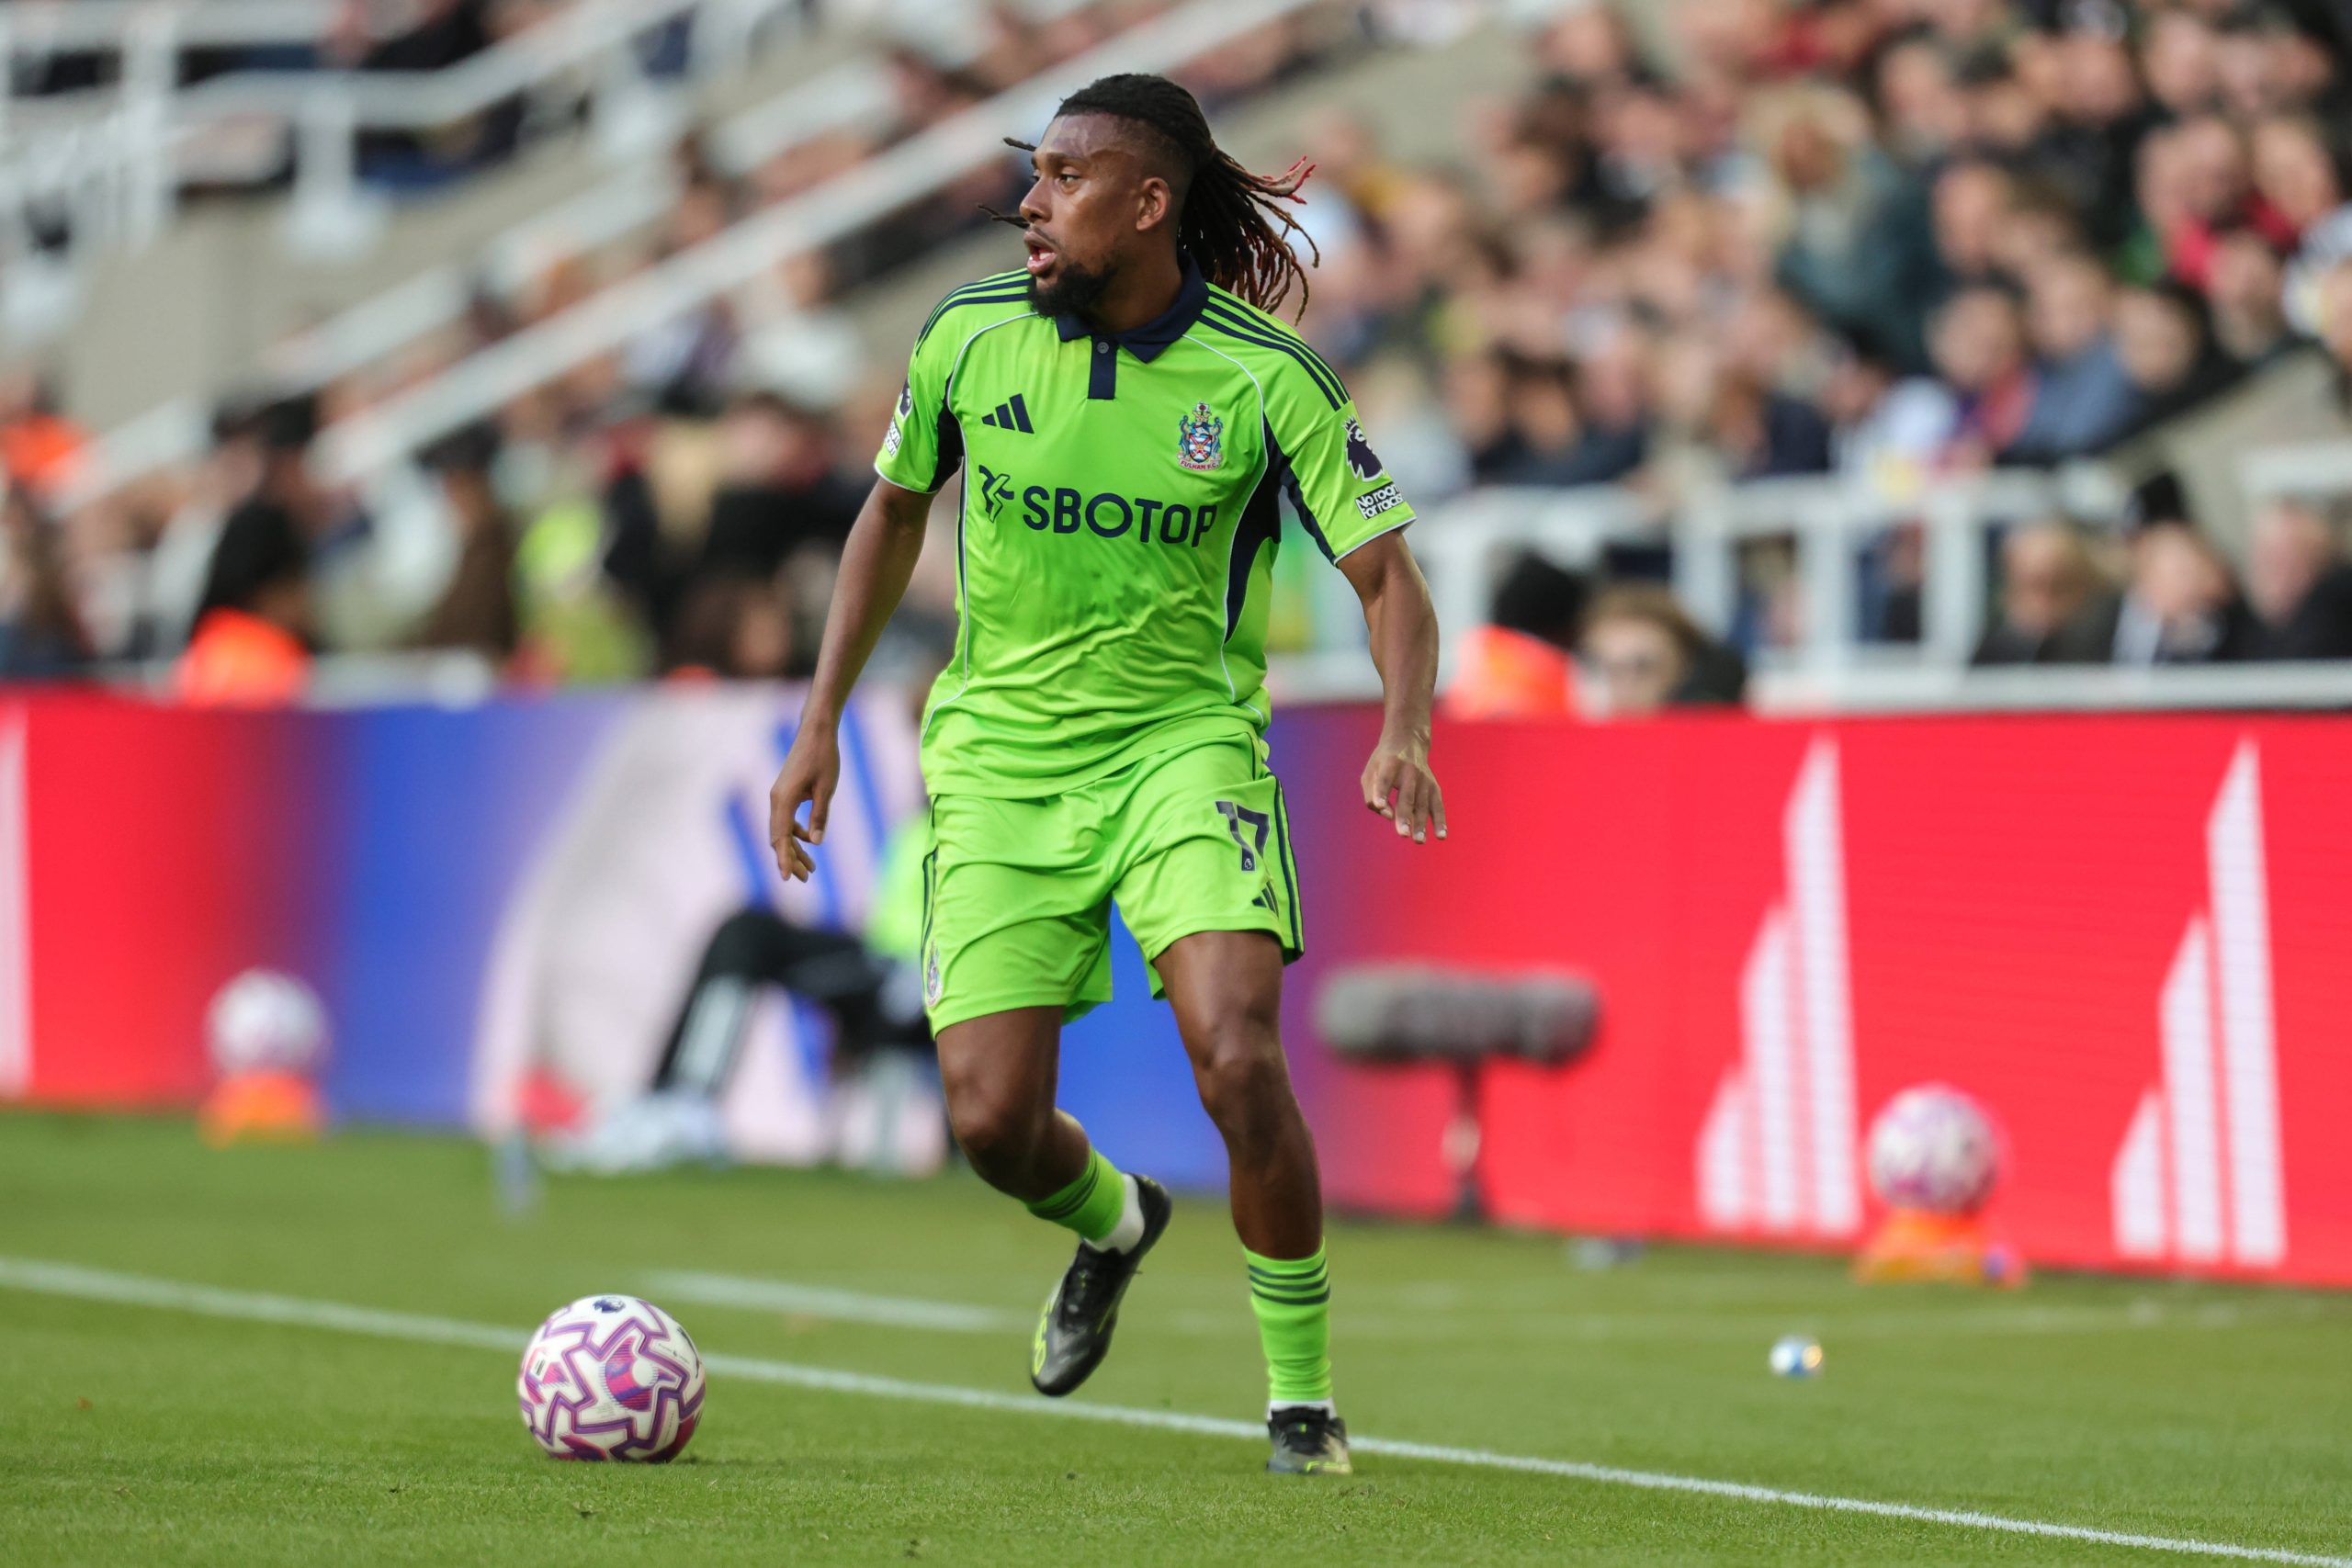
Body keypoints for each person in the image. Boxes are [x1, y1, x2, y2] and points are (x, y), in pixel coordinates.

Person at [765, 73, 1444, 1478]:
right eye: (1034, 173)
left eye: (1062, 176)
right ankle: (1114, 1221)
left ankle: (1301, 1406)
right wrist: (821, 717)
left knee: (1238, 1053)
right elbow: (891, 515)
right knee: (992, 1124)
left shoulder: (1265, 382)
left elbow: (1387, 577)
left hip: (1180, 750)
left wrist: (1404, 727)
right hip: (1002, 760)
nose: (1029, 201)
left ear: (1148, 204)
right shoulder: (966, 340)